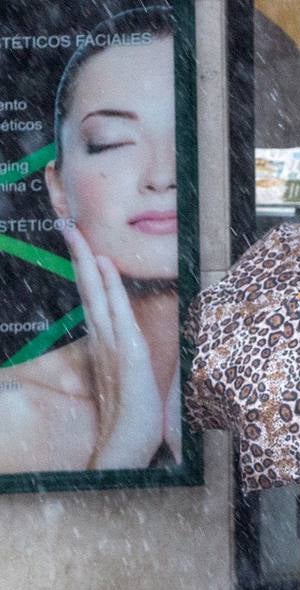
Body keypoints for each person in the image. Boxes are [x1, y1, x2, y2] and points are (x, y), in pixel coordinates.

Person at [0, 6, 181, 472]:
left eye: (186, 137)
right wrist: (124, 448)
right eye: (111, 141)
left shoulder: (287, 398)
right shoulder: (11, 414)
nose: (162, 175)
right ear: (58, 189)